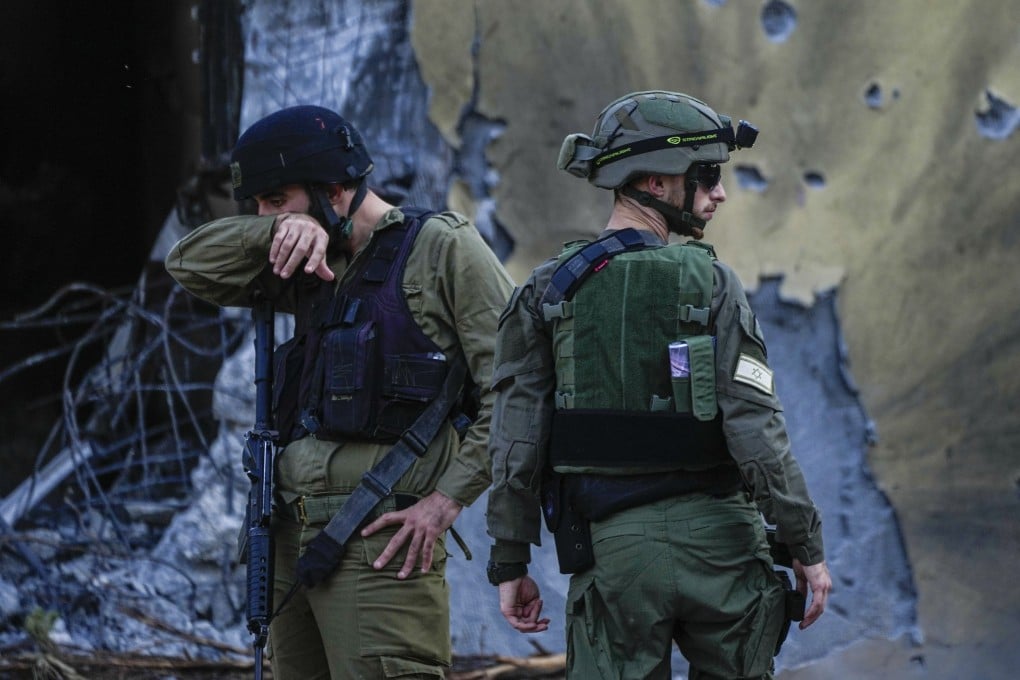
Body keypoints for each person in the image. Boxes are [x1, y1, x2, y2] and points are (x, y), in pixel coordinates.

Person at [485, 90, 832, 679]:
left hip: (616, 559)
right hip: (723, 553)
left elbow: (515, 443)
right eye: (706, 176)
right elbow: (757, 430)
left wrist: (510, 559)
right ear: (653, 182)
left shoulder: (547, 292)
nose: (719, 192)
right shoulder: (715, 283)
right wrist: (806, 546)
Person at [165, 104, 514, 679]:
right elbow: (190, 264)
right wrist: (274, 229)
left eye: (275, 200)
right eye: (256, 205)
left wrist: (448, 500)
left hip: (380, 535)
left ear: (333, 189)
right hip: (283, 529)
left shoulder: (441, 249)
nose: (262, 214)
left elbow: (515, 387)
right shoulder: (307, 262)